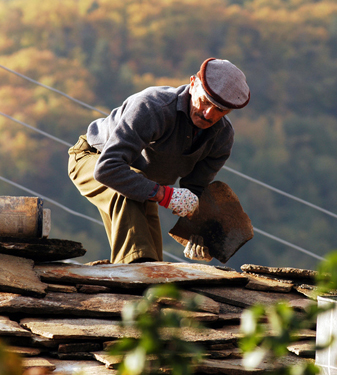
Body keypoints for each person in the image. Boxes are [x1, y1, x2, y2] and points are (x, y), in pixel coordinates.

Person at [68, 58, 250, 264]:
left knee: (152, 260)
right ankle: (132, 278)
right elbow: (107, 168)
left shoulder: (222, 138)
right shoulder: (152, 107)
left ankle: (146, 285)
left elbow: (194, 194)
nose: (209, 114)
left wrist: (200, 235)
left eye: (220, 110)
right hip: (94, 157)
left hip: (144, 186)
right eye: (206, 101)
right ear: (192, 84)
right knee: (136, 250)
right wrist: (164, 194)